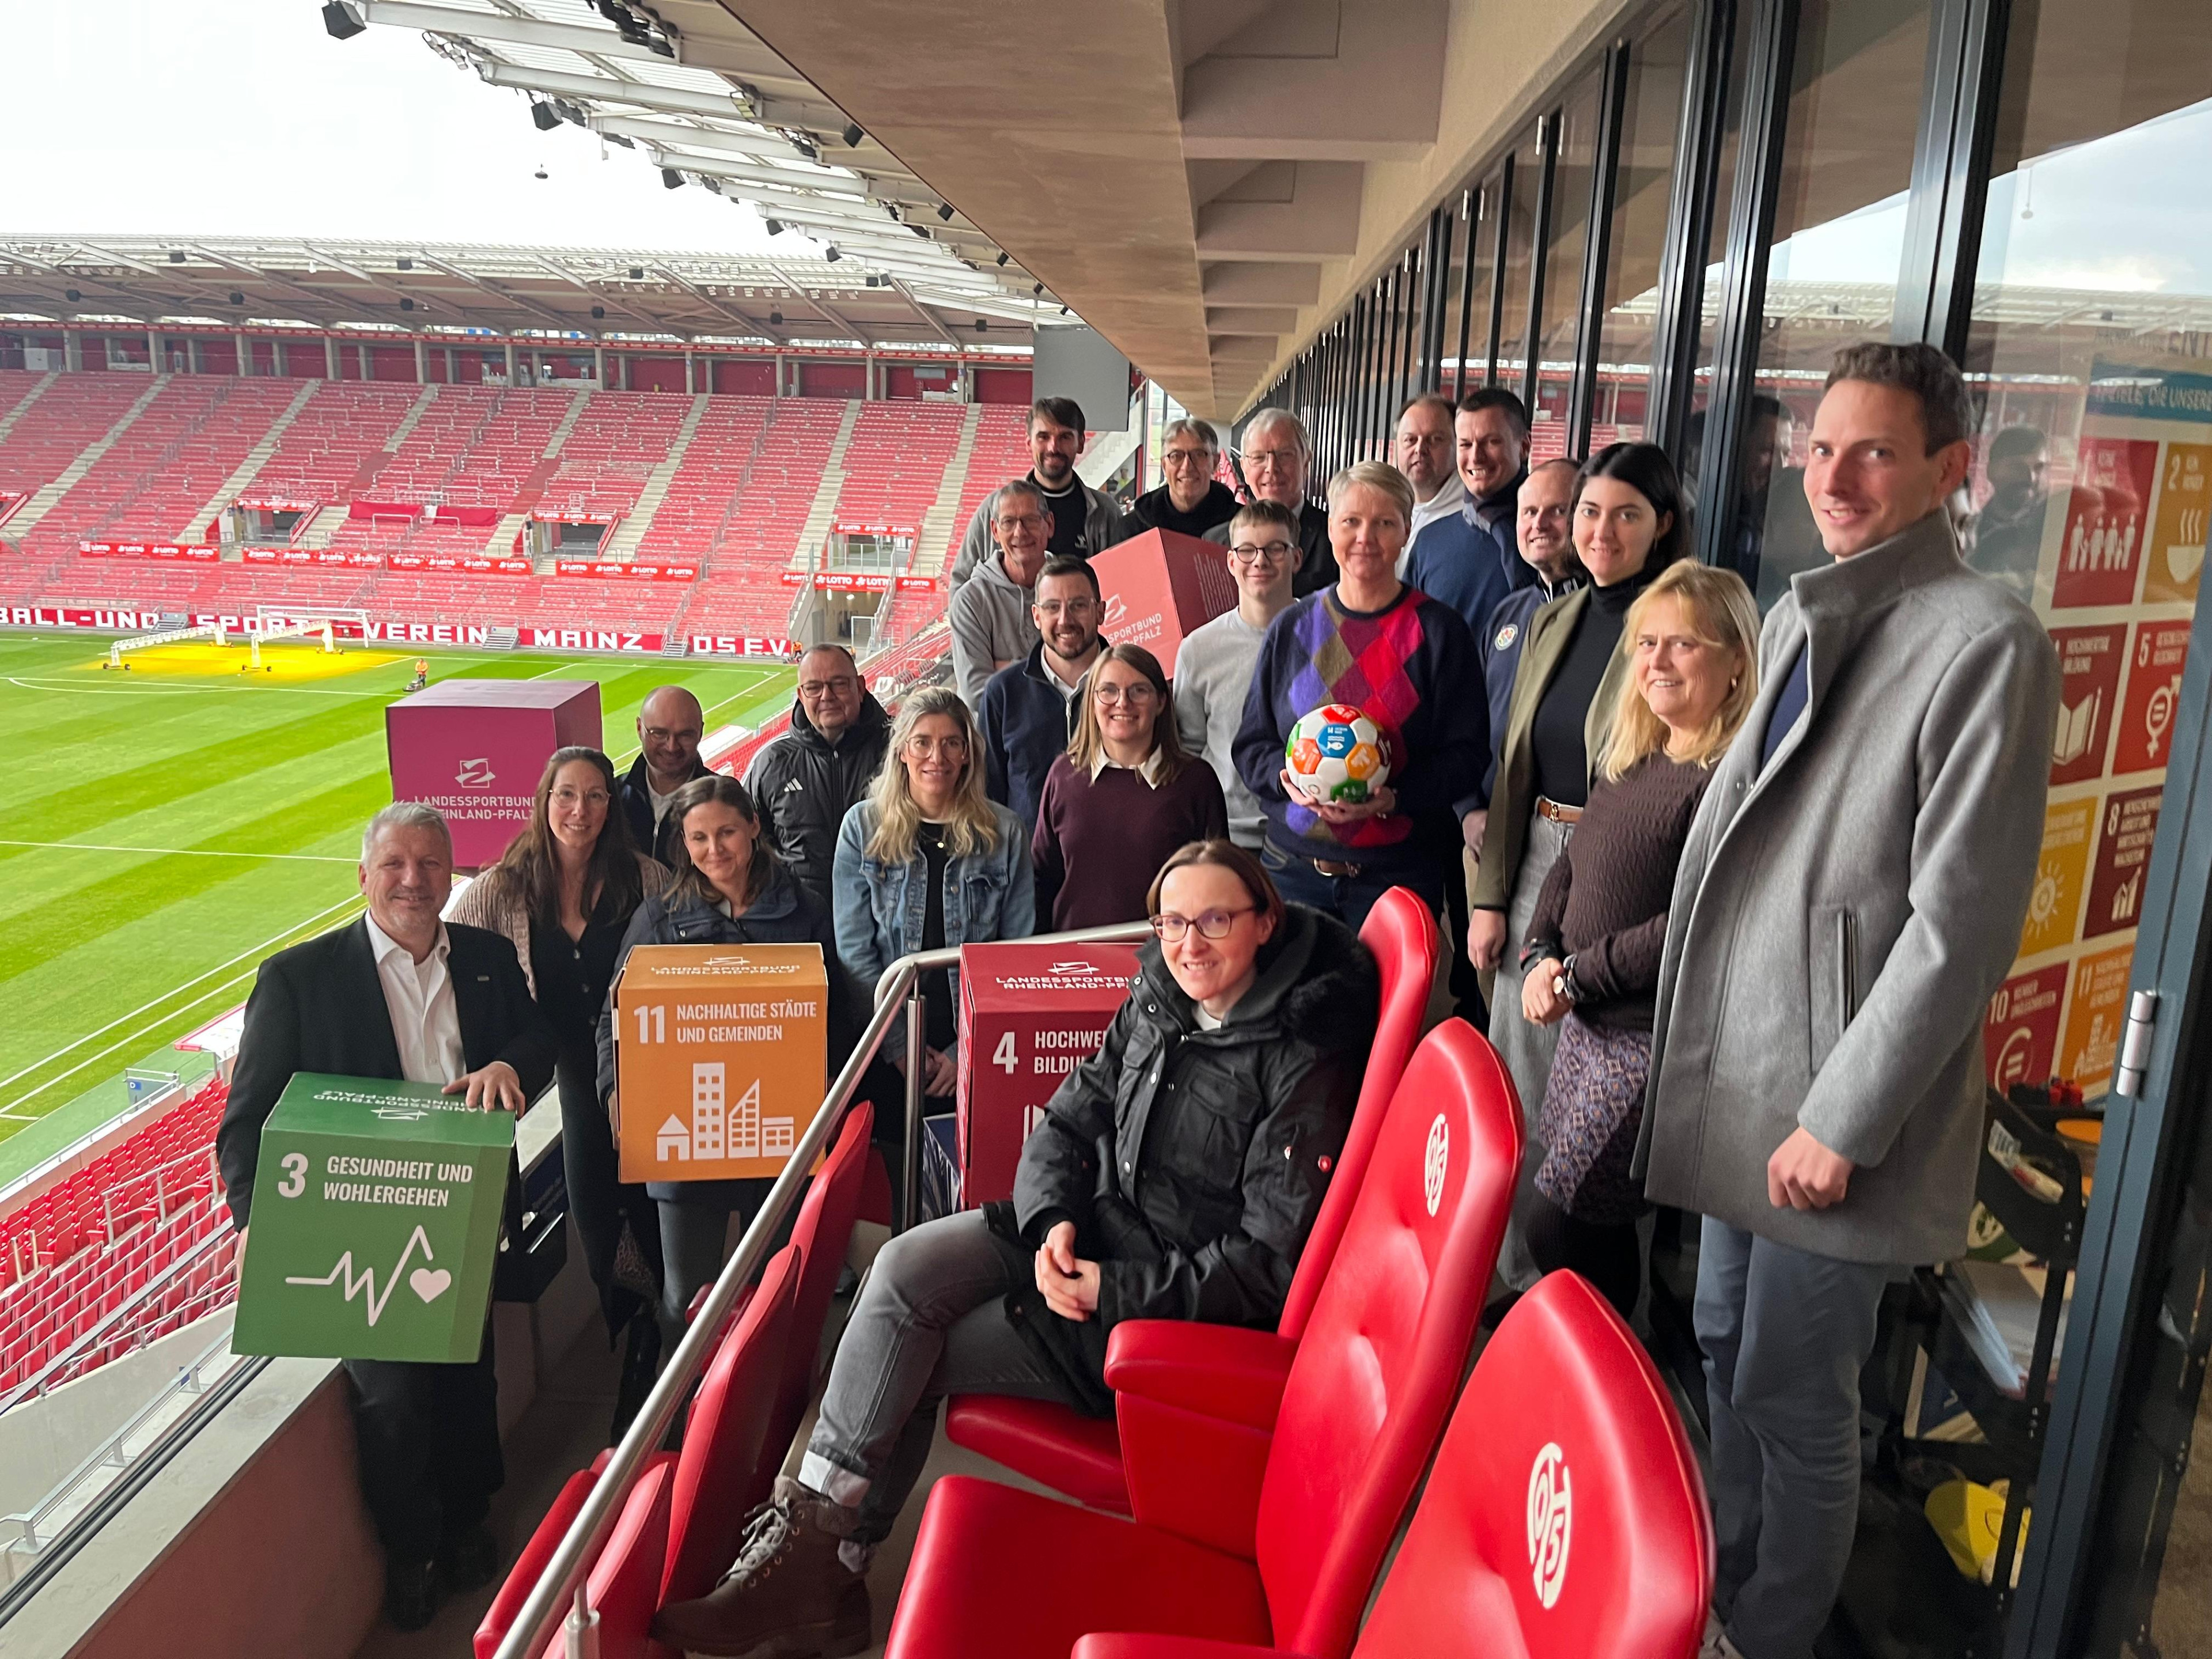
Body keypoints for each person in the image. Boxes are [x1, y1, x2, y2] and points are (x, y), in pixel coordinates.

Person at [653, 841, 1379, 1658]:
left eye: (1215, 921)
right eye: (1172, 923)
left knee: (909, 1355)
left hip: (1144, 1308)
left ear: (1265, 923)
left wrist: (1110, 1291)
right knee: (900, 1271)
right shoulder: (1157, 994)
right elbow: (1069, 1117)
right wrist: (1050, 1221)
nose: (1189, 945)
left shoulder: (1301, 1056)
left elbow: (1265, 1266)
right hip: (1080, 1230)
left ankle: (823, 1573)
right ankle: (816, 1559)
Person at [1638, 343, 2059, 1659]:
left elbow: (1960, 925)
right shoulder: (1804, 613)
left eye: (1874, 452)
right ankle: (1722, 1589)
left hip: (1831, 1117)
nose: (1835, 477)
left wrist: (1844, 1118)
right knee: (1722, 1342)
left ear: (1949, 469)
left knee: (1795, 1393)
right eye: (1822, 448)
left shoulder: (1984, 640)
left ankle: (1766, 1635)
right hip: (1745, 1080)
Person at [216, 803, 555, 1632]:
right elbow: (247, 1121)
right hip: (356, 1228)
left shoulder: (484, 957)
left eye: (431, 864)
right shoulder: (297, 978)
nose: (414, 881)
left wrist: (509, 1064)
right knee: (393, 1399)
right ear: (363, 876)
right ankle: (414, 1551)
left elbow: (538, 1038)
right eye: (396, 865)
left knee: (469, 1377)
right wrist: (254, 1221)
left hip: (463, 1211)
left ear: (451, 874)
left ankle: (469, 1521)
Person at [1514, 562, 1758, 1320]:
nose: (1656, 661)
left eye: (1682, 644)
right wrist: (1539, 954)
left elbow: (1695, 921)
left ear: (1735, 662)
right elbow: (1571, 865)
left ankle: (1618, 1356)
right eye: (1647, 644)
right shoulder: (1638, 754)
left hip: (1646, 1040)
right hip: (1586, 1026)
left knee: (1560, 1218)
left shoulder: (1726, 781)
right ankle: (1599, 1350)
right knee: (1589, 1219)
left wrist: (1576, 976)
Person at [1471, 442, 1688, 1254]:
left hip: (1626, 871)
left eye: (1626, 515)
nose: (1601, 531)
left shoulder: (1673, 629)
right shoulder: (1555, 618)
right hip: (1538, 854)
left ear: (1662, 525)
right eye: (1589, 512)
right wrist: (1491, 898)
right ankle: (1510, 1279)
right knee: (1518, 1085)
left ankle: (1576, 1291)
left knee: (1595, 1114)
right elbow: (1514, 768)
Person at [449, 748, 671, 1438]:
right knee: (597, 1215)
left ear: (612, 806)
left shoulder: (645, 879)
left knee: (657, 1208)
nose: (581, 810)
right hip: (572, 1072)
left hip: (649, 1068)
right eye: (567, 795)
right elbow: (452, 964)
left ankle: (654, 1357)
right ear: (545, 801)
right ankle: (637, 1322)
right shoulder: (500, 889)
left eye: (597, 796)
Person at [597, 775, 861, 1343]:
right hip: (686, 1143)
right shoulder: (658, 919)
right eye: (698, 838)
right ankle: (687, 1400)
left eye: (727, 833)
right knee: (684, 1302)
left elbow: (835, 1020)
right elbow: (614, 1020)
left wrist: (826, 1097)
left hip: (780, 1138)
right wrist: (615, 1093)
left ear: (754, 828)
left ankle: (768, 1397)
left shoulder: (806, 911)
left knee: (777, 1293)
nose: (714, 849)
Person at [1233, 459, 1486, 930]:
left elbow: (1468, 758)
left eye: (1384, 523)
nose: (1365, 537)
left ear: (1406, 530)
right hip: (1292, 871)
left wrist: (1394, 799)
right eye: (1351, 521)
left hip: (1399, 873)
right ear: (1330, 527)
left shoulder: (1440, 633)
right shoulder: (1292, 628)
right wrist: (1287, 780)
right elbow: (1252, 745)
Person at [832, 687, 1035, 1124]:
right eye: (922, 742)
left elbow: (1016, 954)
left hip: (977, 1041)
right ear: (902, 751)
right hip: (888, 1043)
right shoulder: (862, 827)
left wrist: (968, 1048)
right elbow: (855, 953)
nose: (936, 757)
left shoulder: (1005, 832)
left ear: (967, 754)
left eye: (951, 743)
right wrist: (898, 1046)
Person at [1033, 643, 1228, 929]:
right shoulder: (1063, 776)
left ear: (1161, 702)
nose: (1123, 702)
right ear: (1092, 701)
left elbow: (1217, 883)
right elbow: (1042, 877)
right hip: (1075, 951)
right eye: (1108, 691)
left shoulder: (1196, 781)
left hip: (1166, 950)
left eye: (1139, 691)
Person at [1174, 500, 1302, 849]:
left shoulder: (1326, 638)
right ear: (1231, 562)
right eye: (1247, 551)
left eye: (1275, 549)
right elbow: (1188, 752)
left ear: (1296, 558)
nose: (1260, 561)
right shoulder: (1198, 650)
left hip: (1306, 837)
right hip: (1226, 836)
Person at [745, 644, 891, 910]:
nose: (827, 696)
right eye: (814, 688)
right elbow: (750, 840)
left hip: (885, 915)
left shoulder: (900, 749)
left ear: (860, 687)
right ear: (801, 695)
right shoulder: (772, 762)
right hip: (800, 918)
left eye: (839, 684)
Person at [1478, 458, 1586, 800]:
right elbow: (1469, 722)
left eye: (1558, 511)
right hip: (1491, 815)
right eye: (1529, 512)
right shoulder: (1506, 613)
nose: (1539, 523)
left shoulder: (1608, 617)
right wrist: (1468, 810)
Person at [979, 555, 1105, 831]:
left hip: (1113, 853)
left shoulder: (1131, 686)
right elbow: (988, 798)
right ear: (1036, 616)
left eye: (1078, 605)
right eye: (1052, 608)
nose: (1065, 620)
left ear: (1100, 612)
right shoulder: (1002, 693)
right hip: (1027, 857)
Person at [950, 397, 1126, 588]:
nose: (1053, 447)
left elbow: (1120, 585)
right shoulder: (993, 509)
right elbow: (961, 583)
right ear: (1029, 442)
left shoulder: (1105, 513)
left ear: (1081, 443)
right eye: (1043, 437)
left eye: (1065, 437)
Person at [1202, 407, 1337, 595]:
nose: (1272, 468)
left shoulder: (1336, 539)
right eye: (1259, 457)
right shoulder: (1215, 542)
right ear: (1244, 468)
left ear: (1306, 462)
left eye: (1285, 455)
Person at [949, 480, 1052, 706]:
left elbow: (1089, 673)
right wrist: (1054, 672)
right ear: (995, 531)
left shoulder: (1073, 587)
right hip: (998, 731)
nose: (1020, 532)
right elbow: (977, 695)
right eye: (1009, 522)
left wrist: (1004, 669)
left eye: (1030, 520)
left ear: (1049, 524)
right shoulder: (970, 601)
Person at [619, 684, 710, 866]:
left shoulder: (725, 802)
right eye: (659, 734)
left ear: (700, 732)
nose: (671, 747)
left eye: (685, 735)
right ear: (639, 729)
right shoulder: (612, 797)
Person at [1968, 424, 2050, 604]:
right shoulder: (1968, 533)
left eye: (2039, 468)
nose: (2030, 478)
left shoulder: (2052, 533)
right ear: (1991, 471)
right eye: (2016, 467)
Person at [1128, 416, 1239, 537]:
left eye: (1199, 455)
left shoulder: (1244, 526)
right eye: (1176, 456)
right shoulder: (1130, 530)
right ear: (1164, 465)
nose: (1187, 467)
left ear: (1215, 462)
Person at [1395, 391, 1468, 563]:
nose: (1420, 449)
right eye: (1410, 440)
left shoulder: (1472, 516)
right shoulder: (1388, 509)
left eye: (1435, 439)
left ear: (1458, 445)